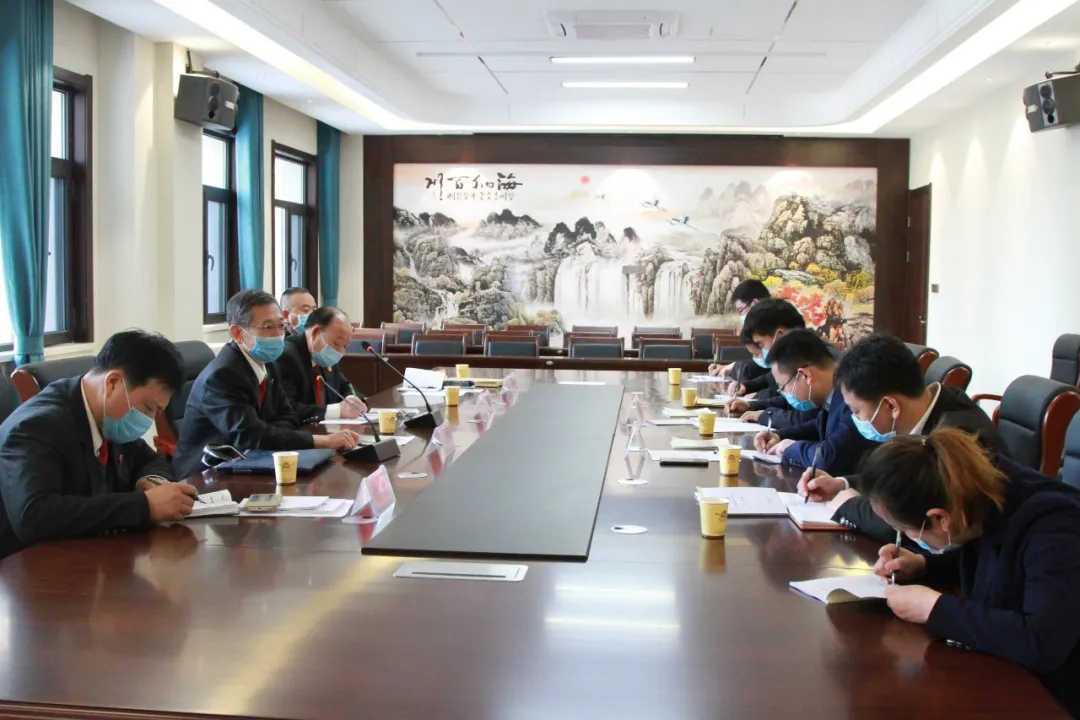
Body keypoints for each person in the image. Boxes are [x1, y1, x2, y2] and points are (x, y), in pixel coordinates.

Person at [864, 428, 1080, 716]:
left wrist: (934, 608)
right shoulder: (975, 494)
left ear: (939, 518)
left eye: (905, 530)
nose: (904, 537)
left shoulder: (1054, 528)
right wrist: (925, 565)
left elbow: (1042, 642)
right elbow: (997, 564)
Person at [0, 331, 198, 558]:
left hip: (91, 557)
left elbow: (150, 459)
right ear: (112, 383)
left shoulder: (108, 417)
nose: (149, 419)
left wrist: (152, 482)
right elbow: (34, 516)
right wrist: (145, 506)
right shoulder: (37, 426)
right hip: (27, 567)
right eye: (147, 408)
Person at [798, 333, 1008, 542]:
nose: (855, 419)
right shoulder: (929, 407)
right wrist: (841, 484)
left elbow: (914, 523)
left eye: (856, 411)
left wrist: (847, 505)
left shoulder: (959, 439)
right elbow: (898, 482)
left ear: (890, 405)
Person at [173, 290, 361, 479]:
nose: (278, 334)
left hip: (254, 460)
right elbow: (249, 436)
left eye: (281, 326)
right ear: (238, 333)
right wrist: (320, 441)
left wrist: (269, 432)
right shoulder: (222, 376)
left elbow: (288, 416)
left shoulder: (267, 363)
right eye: (268, 327)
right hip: (206, 475)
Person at [752, 329, 876, 475]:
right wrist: (780, 436)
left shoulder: (853, 396)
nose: (784, 394)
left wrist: (791, 448)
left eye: (783, 387)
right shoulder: (832, 394)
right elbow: (818, 426)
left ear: (805, 375)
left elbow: (827, 459)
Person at [727, 299, 812, 429]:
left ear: (780, 336)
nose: (762, 353)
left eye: (761, 344)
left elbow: (810, 418)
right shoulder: (797, 356)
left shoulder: (814, 361)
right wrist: (751, 405)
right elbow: (790, 402)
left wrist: (765, 416)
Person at [275, 306, 368, 421]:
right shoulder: (286, 357)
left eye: (345, 346)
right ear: (315, 333)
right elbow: (289, 408)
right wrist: (337, 410)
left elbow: (345, 386)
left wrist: (354, 400)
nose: (340, 352)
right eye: (337, 343)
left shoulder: (326, 355)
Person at [707, 279, 770, 377]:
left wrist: (736, 368)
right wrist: (730, 367)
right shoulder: (762, 326)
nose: (741, 316)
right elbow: (761, 363)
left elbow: (767, 370)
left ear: (754, 303)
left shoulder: (772, 328)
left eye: (741, 310)